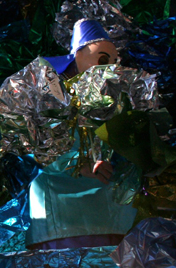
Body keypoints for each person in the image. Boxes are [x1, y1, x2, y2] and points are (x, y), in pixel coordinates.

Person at [26, 19, 137, 249]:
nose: (110, 68)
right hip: (61, 206)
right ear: (78, 57)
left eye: (114, 61)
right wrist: (78, 165)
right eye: (103, 60)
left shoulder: (115, 100)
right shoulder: (51, 94)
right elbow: (36, 147)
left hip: (108, 207)